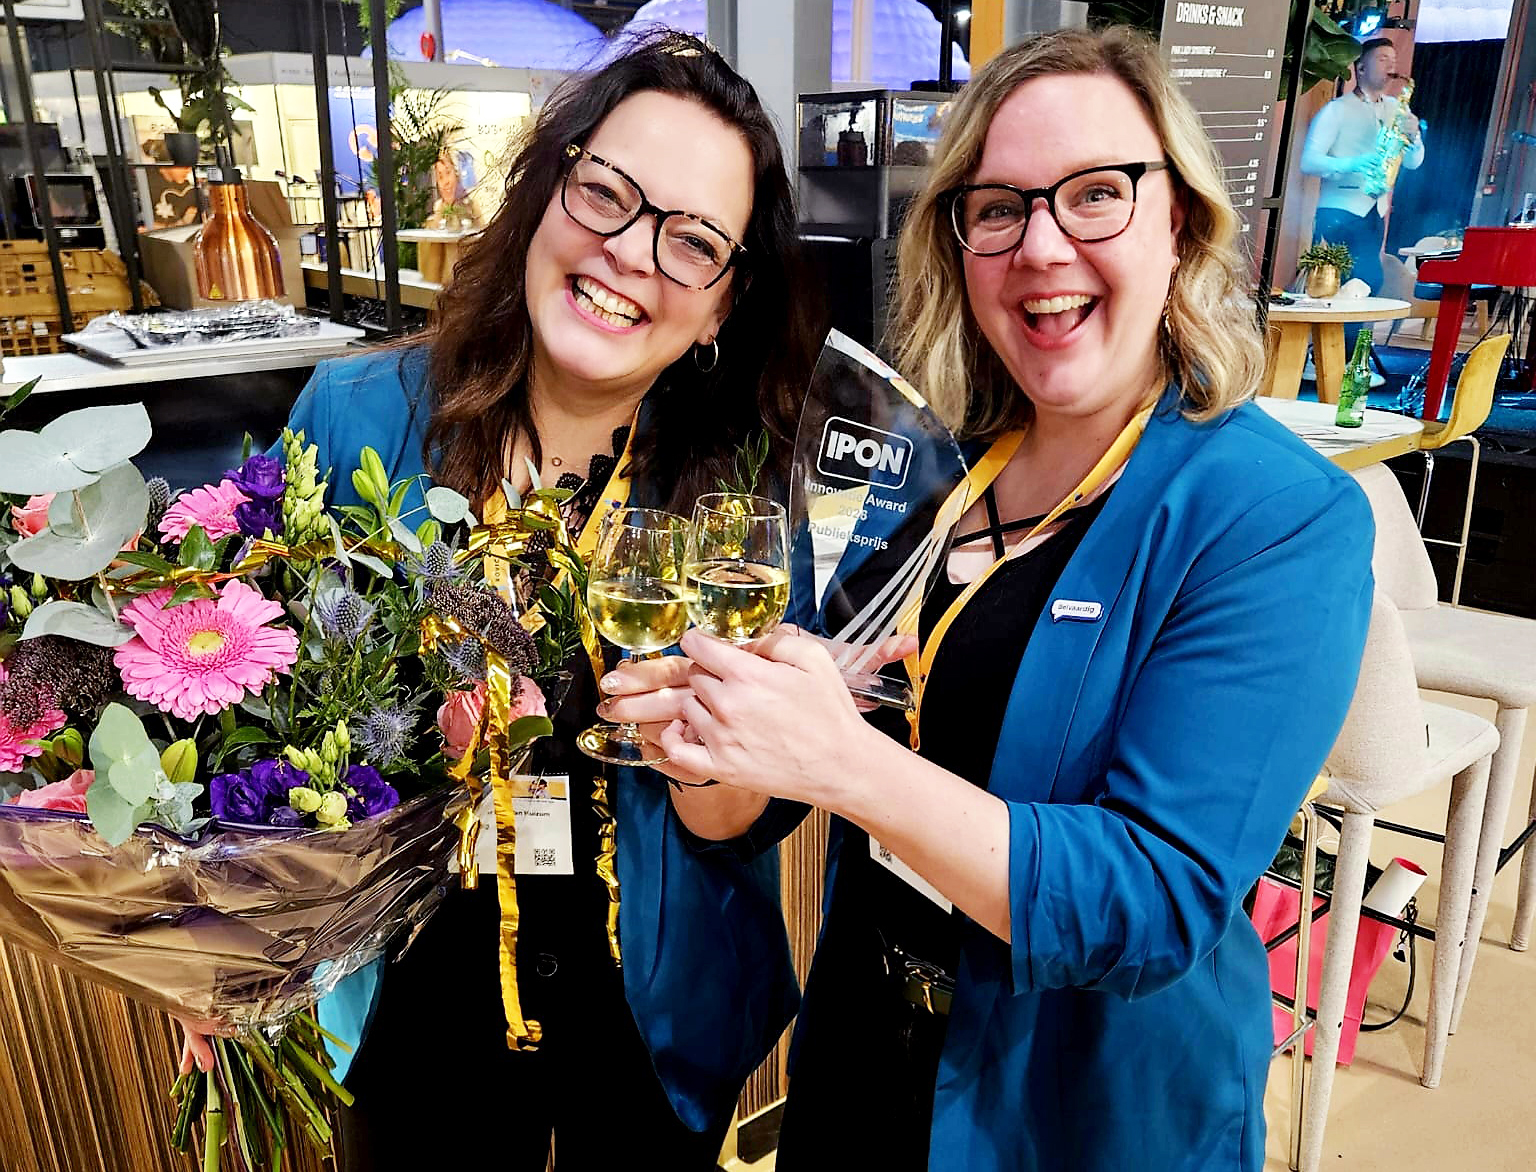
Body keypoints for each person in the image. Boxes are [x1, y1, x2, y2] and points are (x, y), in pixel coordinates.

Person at [605, 26, 1374, 1171]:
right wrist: (711, 747)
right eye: (1000, 207)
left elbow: (1155, 898)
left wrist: (842, 764)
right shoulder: (938, 466)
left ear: (1182, 223)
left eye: (1097, 194)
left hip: (1080, 1113)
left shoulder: (1273, 514)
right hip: (866, 1068)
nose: (1042, 244)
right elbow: (790, 768)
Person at [179, 31, 820, 1169]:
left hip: (658, 1008)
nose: (629, 254)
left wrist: (714, 755)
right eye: (607, 194)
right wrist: (224, 931)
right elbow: (234, 701)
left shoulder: (742, 495)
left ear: (724, 304)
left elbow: (750, 817)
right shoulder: (356, 410)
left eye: (693, 242)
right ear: (544, 192)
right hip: (403, 988)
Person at [1300, 36, 1425, 300]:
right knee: (1350, 281)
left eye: (1393, 60)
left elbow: (1414, 163)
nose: (1391, 66)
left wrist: (1413, 138)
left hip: (1376, 210)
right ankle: (1341, 341)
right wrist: (1353, 164)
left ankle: (1351, 341)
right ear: (1361, 68)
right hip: (1338, 210)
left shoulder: (1396, 109)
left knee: (1365, 283)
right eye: (1382, 59)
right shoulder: (1337, 110)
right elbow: (1308, 161)